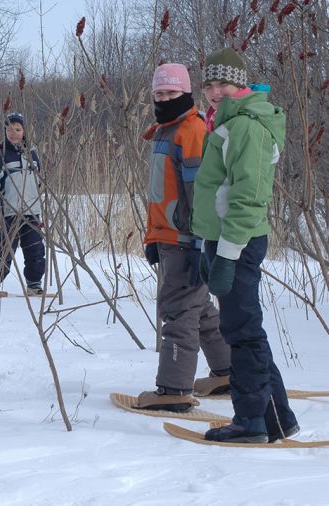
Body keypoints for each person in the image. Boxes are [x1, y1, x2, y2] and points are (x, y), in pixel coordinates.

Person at [192, 48, 298, 443]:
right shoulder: (224, 122)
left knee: (242, 331)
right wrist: (207, 242)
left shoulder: (247, 126)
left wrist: (226, 255)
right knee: (242, 326)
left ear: (240, 85)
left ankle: (250, 421)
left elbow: (248, 196)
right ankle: (276, 418)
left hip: (239, 240)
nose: (215, 90)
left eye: (224, 83)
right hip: (223, 240)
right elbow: (216, 190)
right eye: (210, 84)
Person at [134, 64, 231, 412]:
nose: (164, 99)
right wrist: (151, 236)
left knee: (178, 311)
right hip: (168, 237)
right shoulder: (163, 130)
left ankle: (174, 389)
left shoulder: (189, 131)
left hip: (185, 240)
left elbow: (197, 193)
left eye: (171, 93)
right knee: (198, 308)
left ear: (186, 94)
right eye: (159, 94)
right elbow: (161, 193)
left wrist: (198, 243)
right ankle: (226, 372)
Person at [0, 112, 46, 296]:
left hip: (32, 211)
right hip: (7, 212)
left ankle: (34, 284)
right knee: (6, 249)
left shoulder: (32, 154)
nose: (13, 133)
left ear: (24, 131)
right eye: (9, 129)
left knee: (36, 249)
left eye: (17, 129)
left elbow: (38, 182)